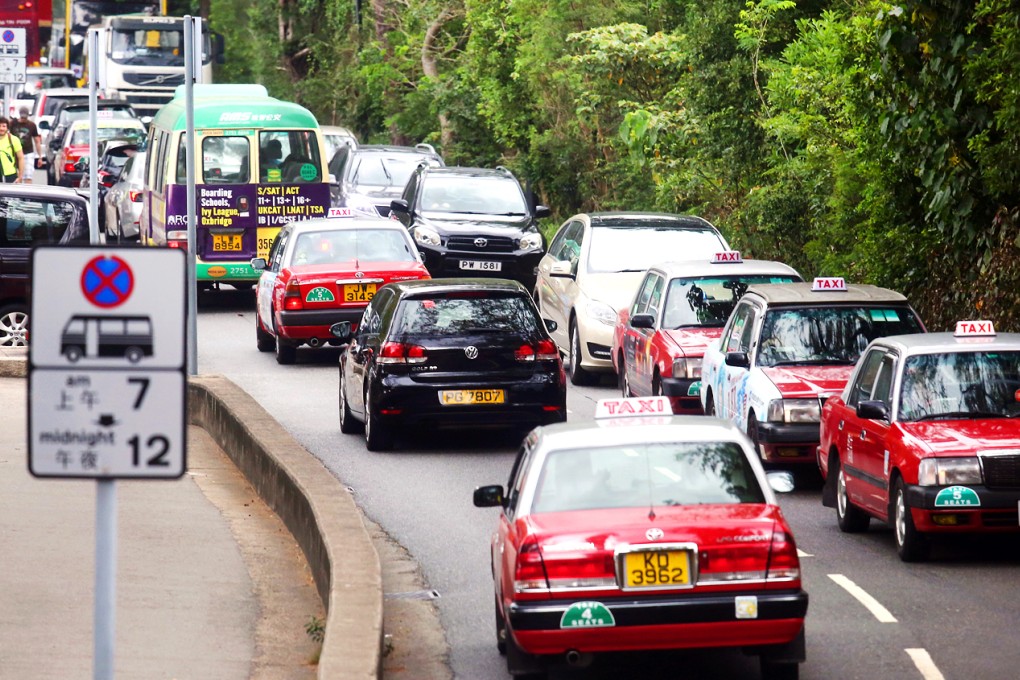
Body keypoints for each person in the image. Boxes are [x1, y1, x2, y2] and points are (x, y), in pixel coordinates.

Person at [10, 108, 41, 184]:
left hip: (28, 152)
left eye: (25, 117)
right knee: (17, 175)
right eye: (22, 117)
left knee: (28, 176)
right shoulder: (13, 123)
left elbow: (37, 141)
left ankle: (28, 193)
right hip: (15, 152)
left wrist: (40, 156)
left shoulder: (31, 125)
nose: (23, 119)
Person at [0, 117, 24, 184]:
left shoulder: (14, 140)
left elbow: (21, 158)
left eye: (4, 126)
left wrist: (20, 176)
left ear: (7, 128)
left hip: (10, 175)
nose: (1, 128)